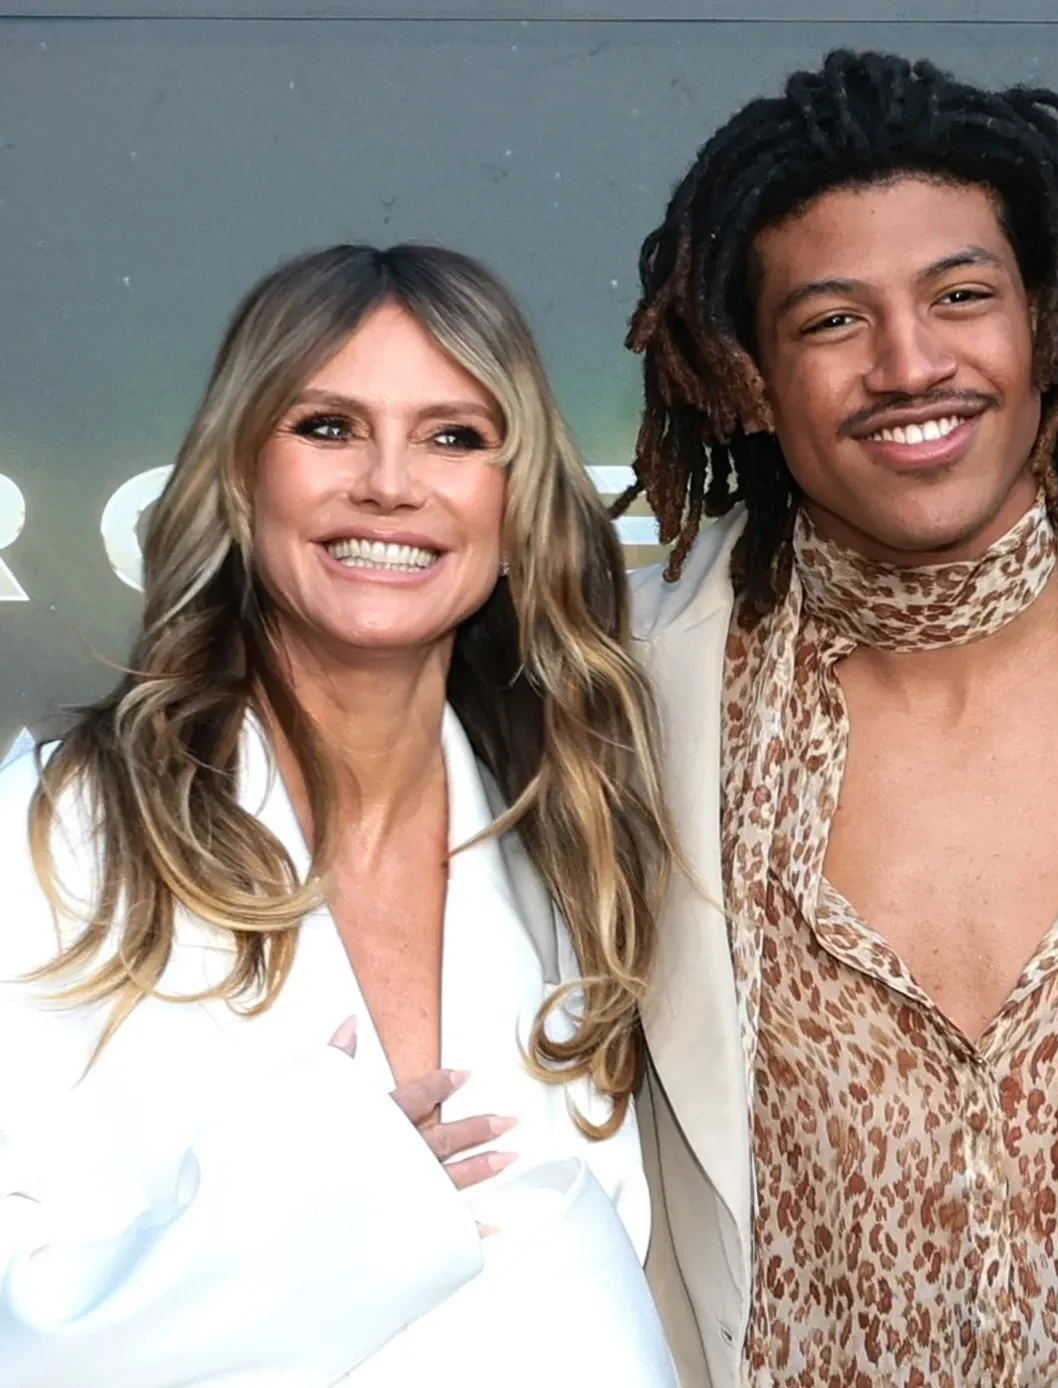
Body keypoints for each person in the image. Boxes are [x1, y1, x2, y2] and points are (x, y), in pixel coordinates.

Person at [621, 48, 1058, 1388]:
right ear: (746, 372)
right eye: (831, 320)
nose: (909, 363)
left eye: (960, 296)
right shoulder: (615, 676)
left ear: (1044, 319)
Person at [0, 243, 680, 1387]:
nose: (388, 483)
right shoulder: (55, 840)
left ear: (516, 500)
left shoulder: (576, 853)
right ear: (240, 470)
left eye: (453, 436)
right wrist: (331, 1214)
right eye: (327, 427)